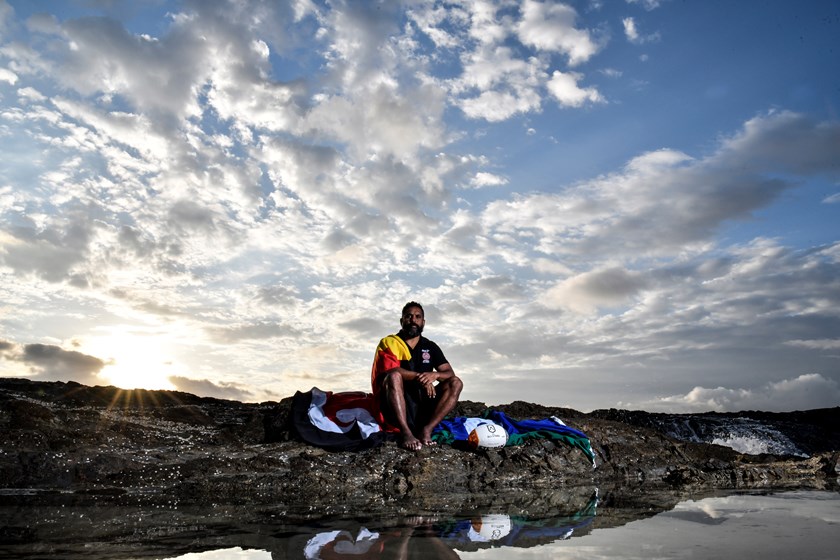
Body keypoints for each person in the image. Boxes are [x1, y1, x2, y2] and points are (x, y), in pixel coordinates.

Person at [371, 302, 463, 451]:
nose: (413, 320)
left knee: (456, 383)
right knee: (394, 377)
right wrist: (421, 377)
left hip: (423, 404)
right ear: (402, 321)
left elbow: (449, 374)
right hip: (396, 406)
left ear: (423, 322)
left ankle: (426, 430)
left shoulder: (430, 346)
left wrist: (435, 375)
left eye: (418, 317)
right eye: (409, 316)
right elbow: (390, 371)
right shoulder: (389, 343)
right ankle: (406, 432)